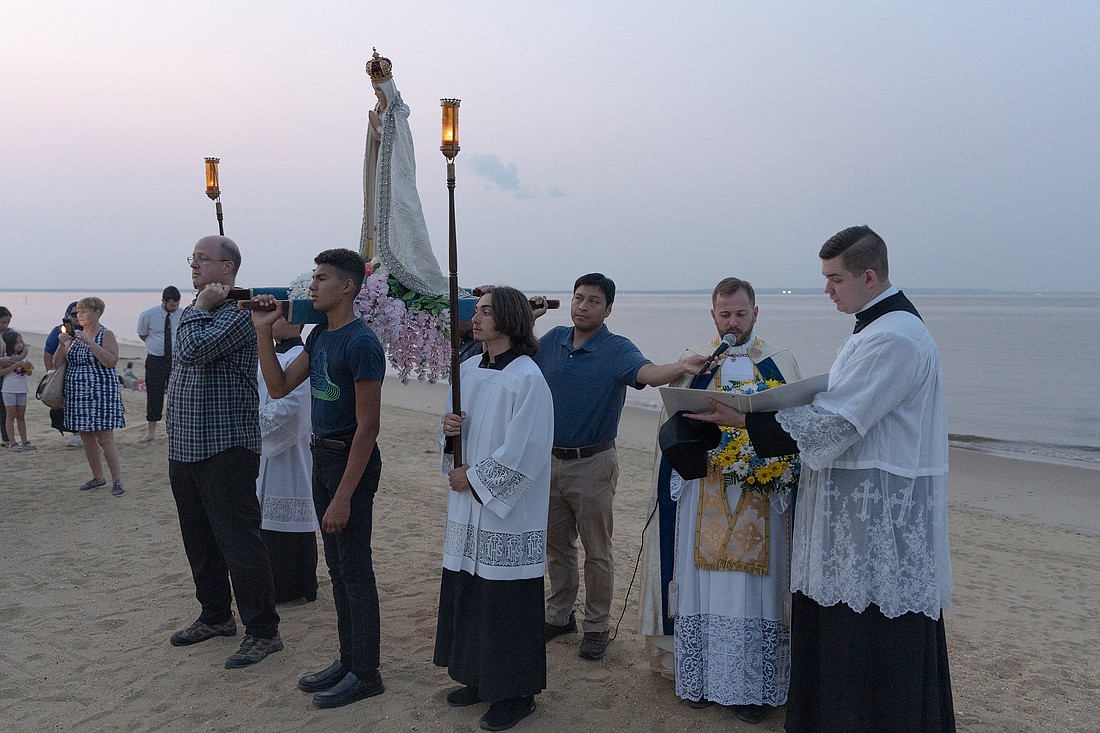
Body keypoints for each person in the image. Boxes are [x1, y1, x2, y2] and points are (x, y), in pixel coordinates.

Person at [687, 226, 955, 732]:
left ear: (869, 276)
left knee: (868, 646)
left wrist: (745, 418)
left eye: (834, 279)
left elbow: (837, 422)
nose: (827, 289)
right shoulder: (877, 328)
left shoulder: (894, 337)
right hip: (855, 512)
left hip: (873, 524)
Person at [638, 278, 801, 724]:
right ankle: (703, 679)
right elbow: (671, 424)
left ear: (755, 313)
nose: (733, 322)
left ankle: (752, 689)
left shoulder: (779, 361)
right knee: (700, 583)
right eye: (725, 315)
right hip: (703, 488)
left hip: (759, 493)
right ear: (713, 316)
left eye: (740, 314)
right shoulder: (696, 362)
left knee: (754, 591)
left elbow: (796, 422)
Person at [531, 273, 706, 660]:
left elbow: (647, 374)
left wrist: (681, 365)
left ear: (608, 309)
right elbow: (517, 355)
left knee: (597, 550)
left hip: (594, 463)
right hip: (549, 460)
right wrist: (531, 319)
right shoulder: (552, 340)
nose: (582, 306)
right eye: (578, 298)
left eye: (593, 301)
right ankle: (559, 615)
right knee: (556, 547)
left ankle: (596, 626)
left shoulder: (616, 349)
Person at [251, 248, 386, 708]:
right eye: (313, 276)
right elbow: (277, 387)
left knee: (355, 570)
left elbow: (368, 427)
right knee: (337, 568)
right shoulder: (320, 339)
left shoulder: (362, 343)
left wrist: (344, 497)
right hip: (321, 458)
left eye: (322, 277)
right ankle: (348, 660)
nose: (312, 285)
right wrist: (263, 334)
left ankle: (366, 672)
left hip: (351, 462)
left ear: (347, 286)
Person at [435, 285, 554, 732]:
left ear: (507, 319)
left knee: (504, 598)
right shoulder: (466, 368)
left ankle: (515, 693)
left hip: (505, 510)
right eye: (477, 311)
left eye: (485, 311)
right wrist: (449, 433)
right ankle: (477, 675)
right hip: (468, 505)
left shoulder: (528, 377)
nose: (476, 318)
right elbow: (454, 424)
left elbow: (527, 449)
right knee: (469, 589)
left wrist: (476, 477)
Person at [166, 235, 282, 670]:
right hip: (186, 444)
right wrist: (196, 309)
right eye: (191, 258)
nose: (193, 265)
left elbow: (193, 351)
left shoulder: (241, 311)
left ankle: (263, 631)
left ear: (228, 267)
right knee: (198, 538)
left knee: (239, 541)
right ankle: (215, 616)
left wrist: (196, 310)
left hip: (226, 445)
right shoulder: (197, 310)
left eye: (202, 259)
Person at [359, 48, 448, 296]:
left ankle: (404, 269)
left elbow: (400, 148)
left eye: (379, 89)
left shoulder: (397, 114)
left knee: (401, 219)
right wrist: (377, 129)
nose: (376, 94)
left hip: (395, 181)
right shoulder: (381, 112)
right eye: (374, 90)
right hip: (381, 178)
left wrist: (379, 129)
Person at [255, 316, 318, 605]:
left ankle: (294, 586)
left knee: (290, 520)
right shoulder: (264, 356)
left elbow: (296, 410)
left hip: (294, 452)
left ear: (297, 323)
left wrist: (251, 426)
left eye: (280, 316)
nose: (273, 321)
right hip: (259, 453)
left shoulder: (303, 358)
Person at [59, 298, 125, 495]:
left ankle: (117, 480)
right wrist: (63, 344)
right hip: (77, 392)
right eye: (77, 313)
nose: (79, 316)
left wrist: (88, 342)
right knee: (86, 435)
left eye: (84, 312)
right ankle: (98, 477)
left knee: (104, 437)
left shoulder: (106, 334)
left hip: (101, 391)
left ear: (97, 313)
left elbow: (111, 361)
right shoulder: (74, 336)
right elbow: (57, 363)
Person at [136, 286, 182, 442]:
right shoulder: (149, 314)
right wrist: (157, 344)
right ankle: (151, 431)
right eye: (171, 305)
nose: (174, 308)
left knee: (177, 396)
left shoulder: (182, 313)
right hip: (155, 359)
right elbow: (142, 334)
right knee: (154, 395)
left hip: (176, 359)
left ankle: (175, 430)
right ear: (164, 301)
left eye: (176, 304)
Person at [43, 302, 83, 446]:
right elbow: (48, 352)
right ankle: (76, 433)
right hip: (64, 372)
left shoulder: (93, 329)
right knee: (67, 404)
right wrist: (50, 373)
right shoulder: (59, 331)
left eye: (81, 313)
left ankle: (88, 433)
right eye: (74, 314)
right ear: (68, 315)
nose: (78, 317)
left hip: (85, 374)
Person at [1, 329, 35, 451]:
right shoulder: (6, 358)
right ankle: (12, 442)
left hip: (22, 389)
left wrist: (28, 368)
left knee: (21, 416)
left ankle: (25, 441)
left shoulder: (25, 357)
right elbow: (1, 373)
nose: (20, 344)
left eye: (21, 342)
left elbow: (29, 373)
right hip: (9, 390)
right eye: (17, 342)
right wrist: (14, 366)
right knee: (10, 415)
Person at [0, 305, 13, 446]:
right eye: (3, 322)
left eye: (7, 322)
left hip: (3, 377)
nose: (5, 325)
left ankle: (6, 438)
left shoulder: (7, 334)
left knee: (4, 409)